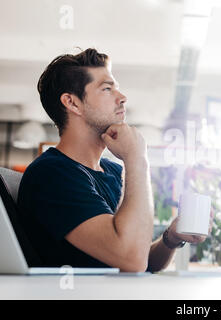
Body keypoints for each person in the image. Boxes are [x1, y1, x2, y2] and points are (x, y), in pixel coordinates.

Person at [17, 48, 210, 272]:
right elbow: (132, 260)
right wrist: (137, 157)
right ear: (72, 103)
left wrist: (171, 238)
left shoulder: (111, 170)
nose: (122, 97)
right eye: (107, 89)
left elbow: (141, 257)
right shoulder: (52, 174)